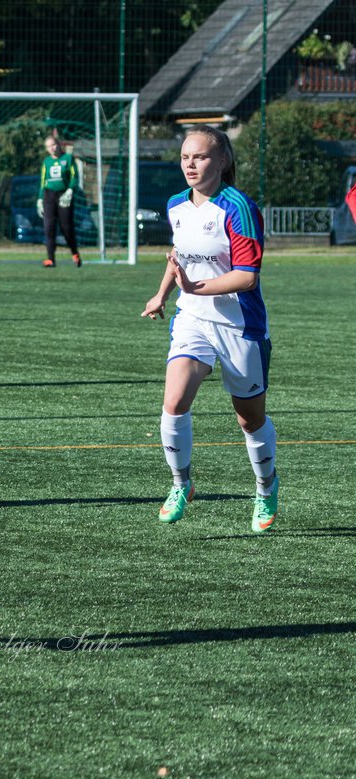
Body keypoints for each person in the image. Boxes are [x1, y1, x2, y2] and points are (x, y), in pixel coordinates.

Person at [141, 125, 278, 533]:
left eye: (199, 157)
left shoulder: (239, 207)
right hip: (193, 318)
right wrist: (162, 294)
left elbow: (247, 277)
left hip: (240, 324)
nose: (190, 164)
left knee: (249, 420)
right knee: (174, 402)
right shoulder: (176, 205)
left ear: (223, 161)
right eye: (185, 157)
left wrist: (194, 285)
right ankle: (181, 484)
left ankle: (265, 487)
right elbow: (178, 257)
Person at [39, 135, 81, 268]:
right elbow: (43, 181)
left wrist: (70, 190)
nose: (52, 148)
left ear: (58, 144)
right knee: (49, 227)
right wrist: (40, 199)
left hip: (63, 195)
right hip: (49, 196)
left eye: (53, 144)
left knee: (66, 228)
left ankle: (75, 253)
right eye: (49, 146)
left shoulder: (67, 158)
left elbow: (74, 176)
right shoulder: (46, 162)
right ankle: (51, 259)